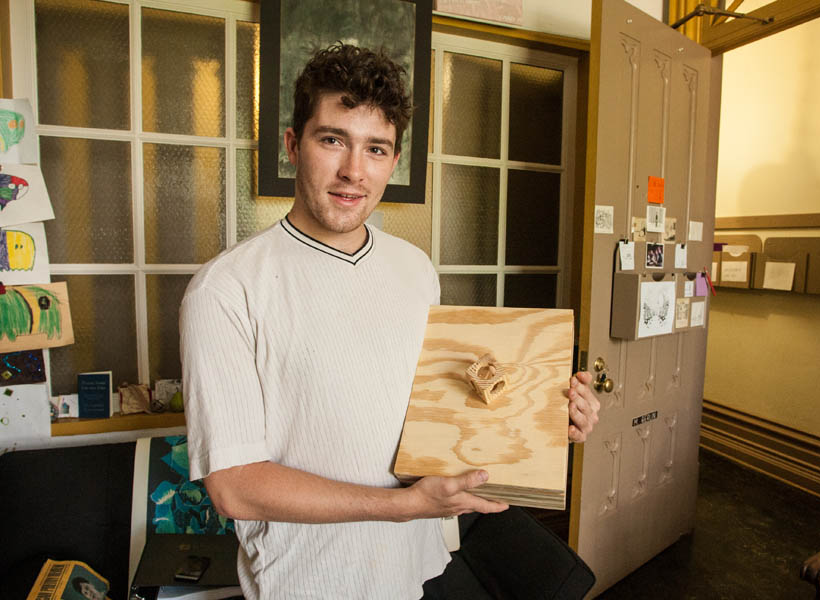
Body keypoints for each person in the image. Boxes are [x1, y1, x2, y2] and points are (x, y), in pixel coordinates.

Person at [180, 43, 600, 600]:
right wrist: (403, 506)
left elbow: (444, 405)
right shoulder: (226, 289)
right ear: (292, 145)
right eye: (333, 139)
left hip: (421, 566)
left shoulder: (415, 268)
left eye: (376, 148)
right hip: (308, 582)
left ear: (394, 160)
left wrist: (546, 415)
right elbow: (236, 487)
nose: (354, 171)